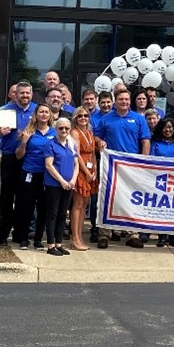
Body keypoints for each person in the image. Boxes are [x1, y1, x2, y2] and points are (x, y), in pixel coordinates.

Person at [93, 87, 150, 249]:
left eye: (126, 99)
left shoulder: (138, 119)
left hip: (132, 165)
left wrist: (143, 162)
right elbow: (96, 136)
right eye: (121, 99)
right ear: (115, 102)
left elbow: (145, 141)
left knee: (132, 199)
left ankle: (132, 234)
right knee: (107, 199)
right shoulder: (106, 119)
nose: (124, 102)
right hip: (112, 165)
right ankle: (104, 234)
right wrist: (99, 142)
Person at [0, 81, 37, 246]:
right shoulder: (5, 111)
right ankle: (3, 234)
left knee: (25, 199)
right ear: (15, 94)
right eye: (22, 93)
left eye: (27, 93)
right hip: (9, 158)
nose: (25, 96)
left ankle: (21, 235)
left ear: (31, 94)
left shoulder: (37, 110)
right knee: (6, 197)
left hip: (29, 159)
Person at [13, 103, 55, 250]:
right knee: (26, 207)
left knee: (44, 207)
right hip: (29, 173)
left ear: (50, 115)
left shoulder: (55, 133)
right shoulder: (28, 132)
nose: (43, 114)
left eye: (46, 112)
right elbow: (18, 156)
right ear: (36, 115)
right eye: (41, 112)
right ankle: (23, 238)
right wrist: (24, 143)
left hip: (47, 175)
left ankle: (38, 239)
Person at [43, 117, 79, 256]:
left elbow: (76, 164)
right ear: (56, 129)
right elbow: (49, 165)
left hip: (69, 185)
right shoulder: (50, 144)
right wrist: (62, 181)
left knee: (63, 214)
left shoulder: (72, 144)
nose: (64, 130)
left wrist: (73, 180)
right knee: (52, 213)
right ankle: (50, 245)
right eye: (61, 128)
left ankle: (59, 243)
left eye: (66, 128)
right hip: (54, 184)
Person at [150, 118, 174, 247]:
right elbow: (151, 160)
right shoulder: (155, 143)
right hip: (159, 180)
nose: (168, 130)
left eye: (170, 127)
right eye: (165, 127)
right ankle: (161, 237)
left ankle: (173, 237)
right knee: (161, 209)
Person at [69, 106, 97, 251]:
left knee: (85, 204)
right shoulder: (74, 132)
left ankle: (80, 235)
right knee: (78, 204)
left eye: (86, 116)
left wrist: (95, 169)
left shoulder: (89, 132)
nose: (83, 118)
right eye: (80, 116)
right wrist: (86, 171)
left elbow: (92, 153)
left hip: (90, 170)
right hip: (80, 171)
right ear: (75, 118)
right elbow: (77, 154)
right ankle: (74, 237)